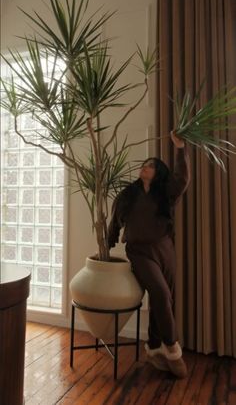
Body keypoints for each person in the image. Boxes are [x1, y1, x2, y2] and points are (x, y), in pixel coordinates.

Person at [107, 130, 190, 378]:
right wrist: (108, 245)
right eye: (144, 165)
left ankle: (154, 349)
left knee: (164, 299)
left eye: (151, 166)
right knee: (162, 293)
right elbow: (114, 221)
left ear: (159, 173)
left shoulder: (165, 193)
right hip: (140, 251)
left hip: (165, 249)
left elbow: (182, 178)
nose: (145, 167)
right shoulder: (129, 194)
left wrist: (180, 148)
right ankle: (173, 349)